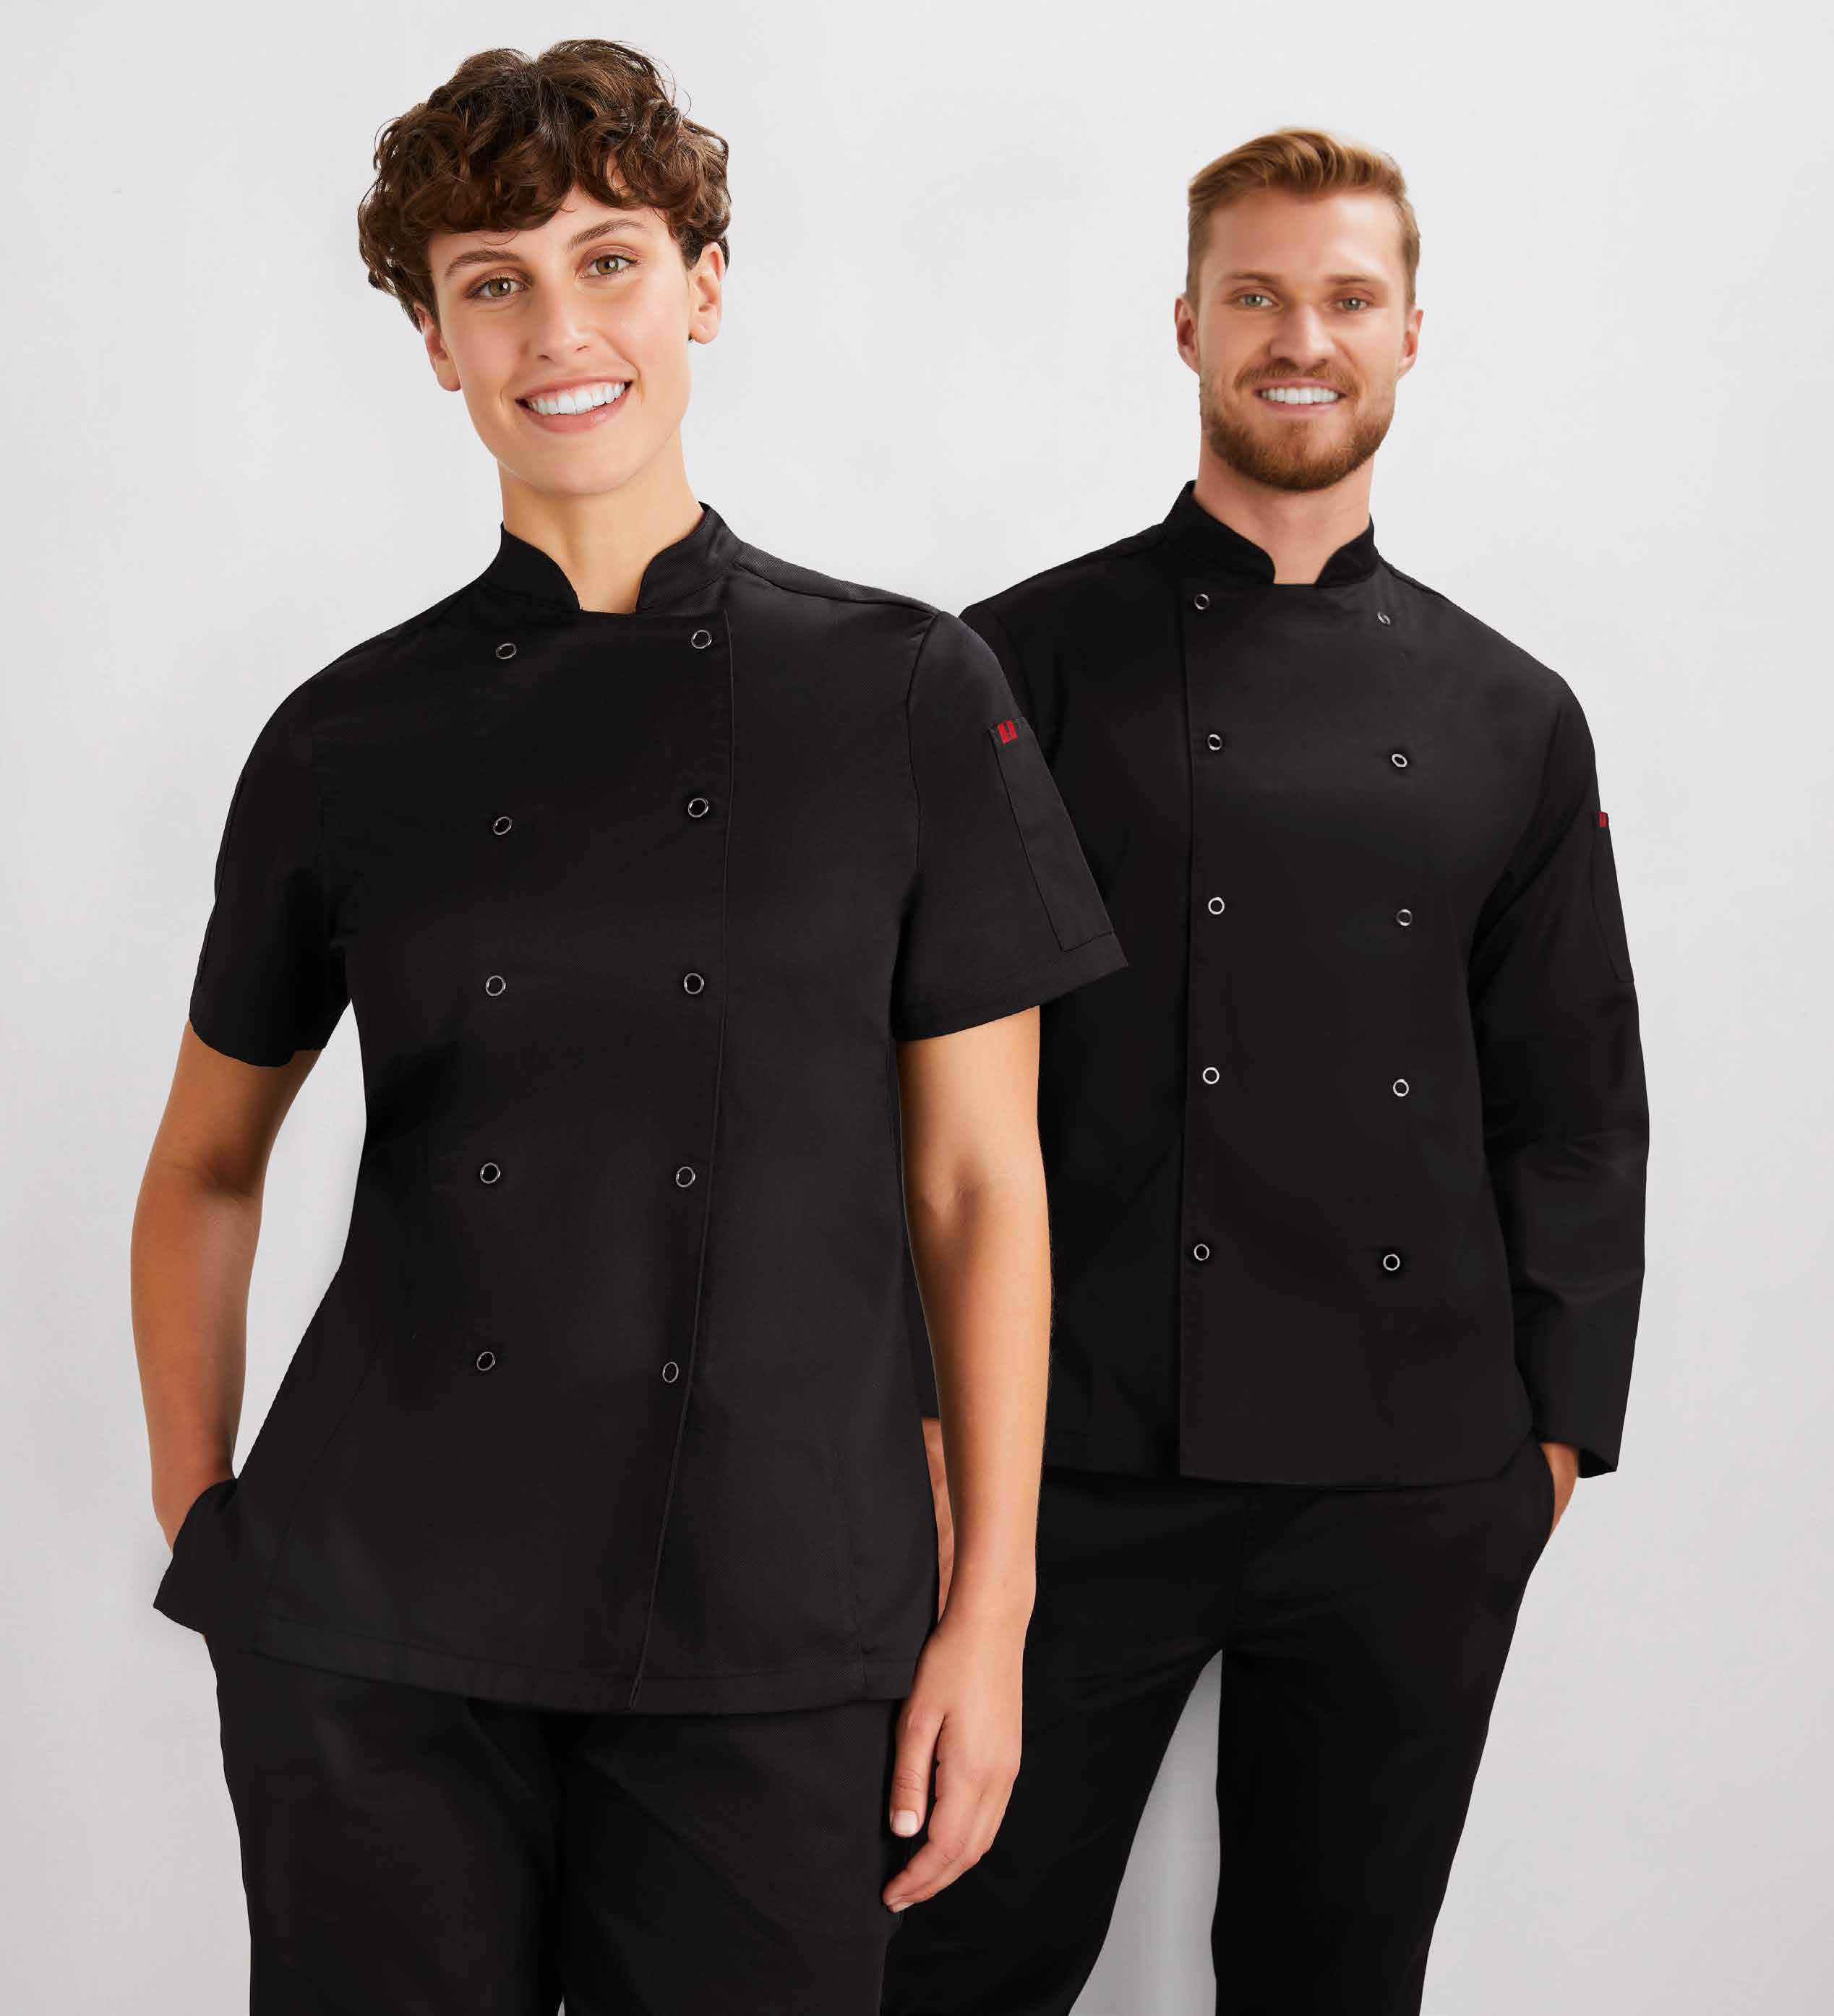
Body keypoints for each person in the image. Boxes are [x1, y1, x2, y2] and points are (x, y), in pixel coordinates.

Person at [130, 38, 1125, 2015]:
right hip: (377, 1622)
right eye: (492, 282)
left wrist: (995, 1609)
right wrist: (207, 1520)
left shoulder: (909, 693)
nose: (559, 330)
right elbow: (207, 1165)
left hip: (782, 1610)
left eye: (610, 261)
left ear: (705, 286)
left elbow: (980, 1188)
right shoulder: (347, 736)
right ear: (434, 342)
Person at [880, 126, 1649, 2012]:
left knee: (1338, 1984)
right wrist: (928, 1437)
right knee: (950, 1962)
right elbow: (905, 1094)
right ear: (1189, 326)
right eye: (1258, 297)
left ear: (1407, 335)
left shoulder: (1512, 712)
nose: (1302, 339)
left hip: (1408, 1485)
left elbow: (1570, 1103)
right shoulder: (1013, 667)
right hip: (1062, 1472)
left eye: (1346, 299)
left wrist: (1548, 1446)